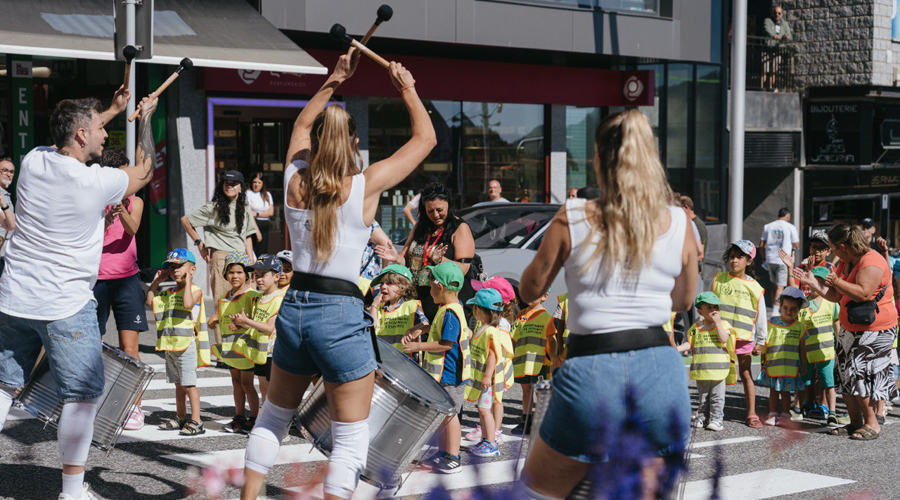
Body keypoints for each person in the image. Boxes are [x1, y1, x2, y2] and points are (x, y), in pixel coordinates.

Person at [239, 49, 435, 500]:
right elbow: (425, 139)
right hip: (341, 313)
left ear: (316, 143)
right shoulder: (365, 186)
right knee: (349, 436)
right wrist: (406, 87)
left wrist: (335, 78)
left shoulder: (294, 181)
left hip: (295, 307)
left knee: (273, 416)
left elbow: (300, 125)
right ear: (354, 144)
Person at [517, 110, 698, 499]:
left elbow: (532, 288)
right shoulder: (678, 221)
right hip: (661, 371)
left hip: (592, 371)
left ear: (598, 158)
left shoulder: (573, 215)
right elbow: (684, 300)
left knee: (535, 493)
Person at [0, 88, 157, 500]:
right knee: (82, 396)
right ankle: (71, 491)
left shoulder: (34, 160)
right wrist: (144, 118)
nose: (106, 134)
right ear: (82, 134)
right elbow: (145, 171)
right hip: (66, 303)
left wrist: (114, 109)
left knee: (2, 385)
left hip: (14, 294)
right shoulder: (96, 181)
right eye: (100, 128)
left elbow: (71, 132)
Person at [794, 224, 899, 441]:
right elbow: (836, 295)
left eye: (832, 248)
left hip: (875, 329)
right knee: (844, 375)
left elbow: (863, 293)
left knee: (859, 374)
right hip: (850, 327)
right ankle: (855, 422)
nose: (832, 252)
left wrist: (837, 281)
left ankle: (872, 423)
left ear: (843, 247)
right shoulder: (845, 262)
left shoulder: (871, 261)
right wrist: (812, 282)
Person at [94, 148, 148, 431]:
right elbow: (91, 235)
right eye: (123, 173)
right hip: (98, 279)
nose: (128, 178)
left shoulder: (135, 200)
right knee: (93, 344)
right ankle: (92, 402)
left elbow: (133, 228)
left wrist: (122, 211)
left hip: (127, 279)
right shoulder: (95, 200)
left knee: (130, 348)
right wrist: (106, 217)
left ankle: (135, 407)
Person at [402, 261, 471, 474]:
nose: (429, 291)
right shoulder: (449, 309)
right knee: (442, 415)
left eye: (431, 286)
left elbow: (445, 344)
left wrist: (418, 346)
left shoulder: (450, 312)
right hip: (444, 375)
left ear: (439, 287)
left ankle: (453, 457)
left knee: (450, 415)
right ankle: (444, 453)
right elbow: (438, 330)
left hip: (450, 375)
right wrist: (420, 328)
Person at [378, 182, 476, 320]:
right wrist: (396, 258)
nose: (435, 215)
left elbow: (463, 269)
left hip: (443, 301)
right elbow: (406, 259)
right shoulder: (420, 227)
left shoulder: (459, 228)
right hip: (417, 298)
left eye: (439, 209)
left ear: (448, 204)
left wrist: (440, 260)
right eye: (430, 211)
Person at [146, 248, 210, 436]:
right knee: (178, 385)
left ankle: (197, 421)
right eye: (172, 267)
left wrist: (188, 281)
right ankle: (181, 417)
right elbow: (149, 301)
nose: (175, 270)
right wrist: (156, 282)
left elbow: (188, 303)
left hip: (186, 346)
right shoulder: (169, 292)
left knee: (189, 385)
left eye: (180, 266)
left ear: (192, 269)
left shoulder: (196, 291)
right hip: (171, 346)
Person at [713, 240, 767, 427]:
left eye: (739, 257)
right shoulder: (719, 279)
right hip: (721, 336)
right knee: (716, 373)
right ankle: (709, 410)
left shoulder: (755, 287)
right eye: (732, 257)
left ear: (749, 261)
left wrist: (761, 340)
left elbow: (761, 315)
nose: (734, 260)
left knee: (745, 374)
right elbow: (709, 305)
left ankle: (751, 413)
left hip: (744, 338)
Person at [182, 170, 257, 303]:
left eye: (233, 184)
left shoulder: (245, 207)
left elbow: (247, 234)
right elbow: (185, 220)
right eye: (226, 183)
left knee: (246, 303)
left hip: (242, 258)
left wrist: (250, 261)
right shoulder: (213, 208)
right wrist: (199, 244)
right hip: (222, 258)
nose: (229, 186)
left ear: (241, 187)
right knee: (224, 302)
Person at [210, 251, 261, 434]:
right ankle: (239, 416)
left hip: (245, 348)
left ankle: (255, 418)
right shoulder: (225, 296)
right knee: (236, 382)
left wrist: (241, 325)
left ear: (247, 274)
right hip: (230, 348)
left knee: (247, 384)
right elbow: (222, 317)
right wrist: (214, 320)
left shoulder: (251, 295)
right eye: (231, 272)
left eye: (239, 272)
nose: (235, 276)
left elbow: (257, 321)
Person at [676, 292, 735, 432]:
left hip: (718, 370)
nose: (714, 310)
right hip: (702, 369)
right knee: (703, 396)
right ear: (700, 311)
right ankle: (703, 416)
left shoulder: (724, 324)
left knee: (717, 397)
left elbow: (724, 339)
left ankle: (717, 420)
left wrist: (717, 323)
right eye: (709, 307)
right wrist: (677, 348)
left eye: (716, 307)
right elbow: (690, 343)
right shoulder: (696, 328)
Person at [463, 288, 512, 458]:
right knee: (482, 409)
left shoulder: (490, 331)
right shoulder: (482, 327)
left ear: (478, 310)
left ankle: (491, 443)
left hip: (488, 381)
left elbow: (492, 355)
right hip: (484, 380)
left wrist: (487, 376)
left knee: (484, 410)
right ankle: (486, 439)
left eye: (474, 307)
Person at [237, 254, 286, 406]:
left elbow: (270, 327)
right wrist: (240, 323)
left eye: (263, 275)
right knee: (263, 387)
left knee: (273, 389)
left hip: (273, 352)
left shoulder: (279, 298)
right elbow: (257, 323)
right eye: (256, 275)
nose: (258, 279)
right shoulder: (260, 297)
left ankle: (276, 419)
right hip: (261, 351)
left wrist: (247, 321)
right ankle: (265, 416)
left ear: (276, 276)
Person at [755, 287, 807, 427]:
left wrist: (804, 364)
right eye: (785, 308)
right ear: (780, 306)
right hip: (774, 366)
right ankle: (772, 414)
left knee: (786, 392)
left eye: (793, 309)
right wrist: (761, 359)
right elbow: (765, 343)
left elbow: (802, 349)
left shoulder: (800, 327)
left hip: (791, 368)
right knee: (773, 391)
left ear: (799, 310)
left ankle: (785, 415)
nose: (789, 311)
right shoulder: (771, 323)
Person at [798, 267, 841, 426]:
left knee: (828, 383)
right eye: (813, 280)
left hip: (827, 353)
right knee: (804, 381)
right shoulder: (803, 305)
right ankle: (799, 408)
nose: (815, 284)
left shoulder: (831, 302)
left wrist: (839, 347)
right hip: (808, 353)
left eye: (819, 281)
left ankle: (832, 412)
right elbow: (801, 334)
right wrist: (801, 355)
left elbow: (837, 323)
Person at [510, 289, 555, 436]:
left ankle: (542, 422)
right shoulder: (521, 315)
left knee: (540, 393)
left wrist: (553, 358)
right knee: (526, 390)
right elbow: (514, 337)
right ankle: (526, 421)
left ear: (545, 296)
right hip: (524, 362)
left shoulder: (546, 318)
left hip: (540, 364)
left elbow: (552, 340)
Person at [367, 264, 428, 352]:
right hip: (383, 357)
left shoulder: (411, 305)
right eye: (381, 283)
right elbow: (371, 328)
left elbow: (425, 325)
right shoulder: (379, 308)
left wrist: (413, 330)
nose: (383, 287)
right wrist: (374, 306)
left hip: (405, 358)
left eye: (389, 283)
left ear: (403, 287)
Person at [760, 207, 799, 314]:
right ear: (788, 216)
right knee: (780, 286)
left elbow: (761, 244)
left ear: (778, 216)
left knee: (774, 285)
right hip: (783, 260)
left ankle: (775, 307)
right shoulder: (790, 227)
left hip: (770, 259)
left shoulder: (768, 226)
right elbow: (796, 244)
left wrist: (763, 258)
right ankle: (775, 311)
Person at [247, 173, 275, 258]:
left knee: (263, 253)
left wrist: (257, 213)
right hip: (254, 224)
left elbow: (271, 212)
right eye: (254, 182)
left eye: (259, 182)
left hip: (265, 225)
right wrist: (257, 231)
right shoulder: (248, 193)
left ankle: (261, 267)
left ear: (263, 184)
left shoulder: (267, 195)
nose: (256, 184)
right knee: (254, 251)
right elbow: (249, 213)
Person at [0, 157, 17, 261]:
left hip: (5, 251)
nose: (8, 174)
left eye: (11, 172)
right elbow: (10, 225)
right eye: (4, 170)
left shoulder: (5, 193)